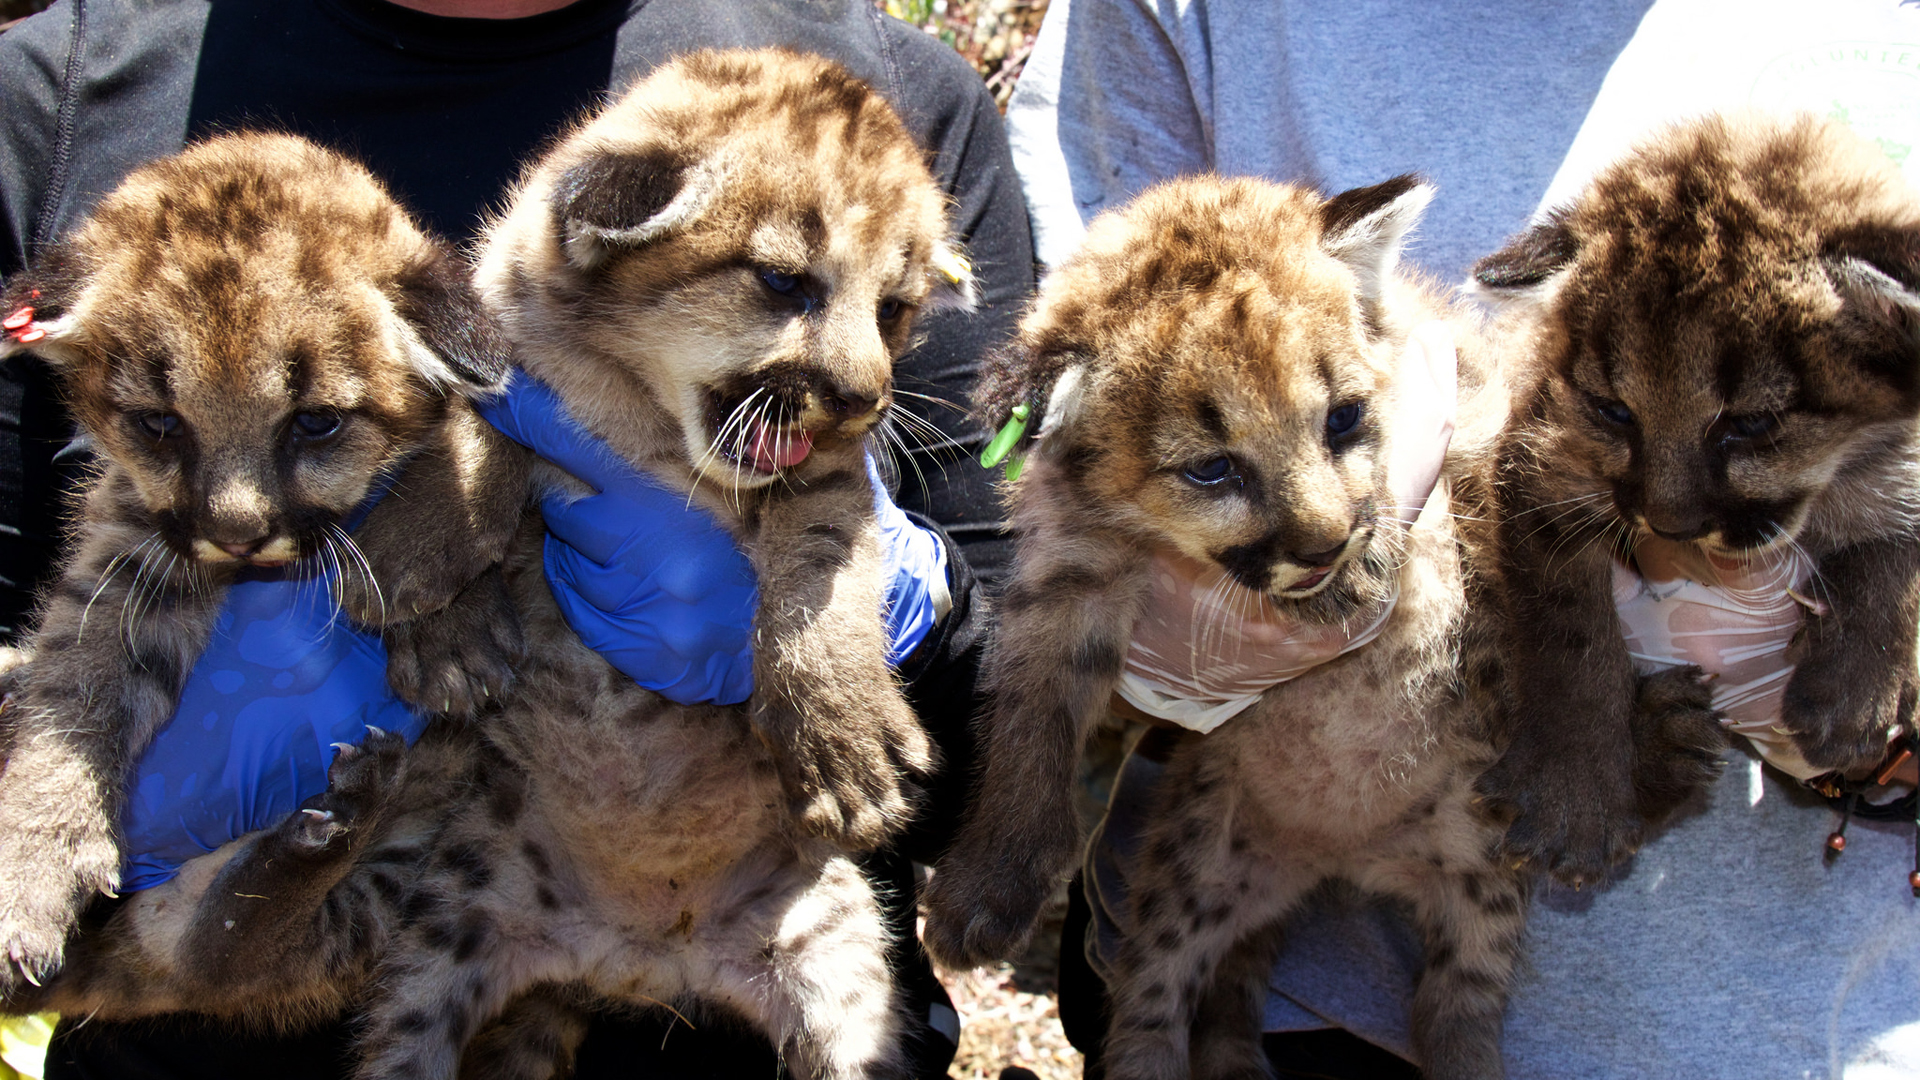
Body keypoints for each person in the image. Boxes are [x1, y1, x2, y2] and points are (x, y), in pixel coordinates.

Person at [0, 0, 1034, 1075]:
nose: (865, 381)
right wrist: (67, 770)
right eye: (159, 426)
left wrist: (912, 620)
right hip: (337, 967)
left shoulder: (900, 109)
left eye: (896, 318)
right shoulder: (58, 100)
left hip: (756, 957)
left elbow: (1016, 741)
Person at [1006, 1, 1920, 1077]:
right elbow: (1035, 435)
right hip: (1296, 1004)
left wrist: (1892, 702)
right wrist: (1159, 630)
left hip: (1810, 1026)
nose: (1668, 512)